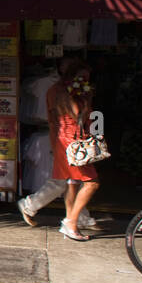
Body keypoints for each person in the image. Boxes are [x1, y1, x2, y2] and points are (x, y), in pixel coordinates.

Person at [45, 57, 100, 242]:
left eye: (87, 77)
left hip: (68, 140)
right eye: (82, 76)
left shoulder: (59, 91)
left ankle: (70, 222)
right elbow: (77, 114)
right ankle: (71, 222)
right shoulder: (67, 92)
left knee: (73, 182)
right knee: (92, 182)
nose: (85, 80)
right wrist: (83, 96)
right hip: (71, 141)